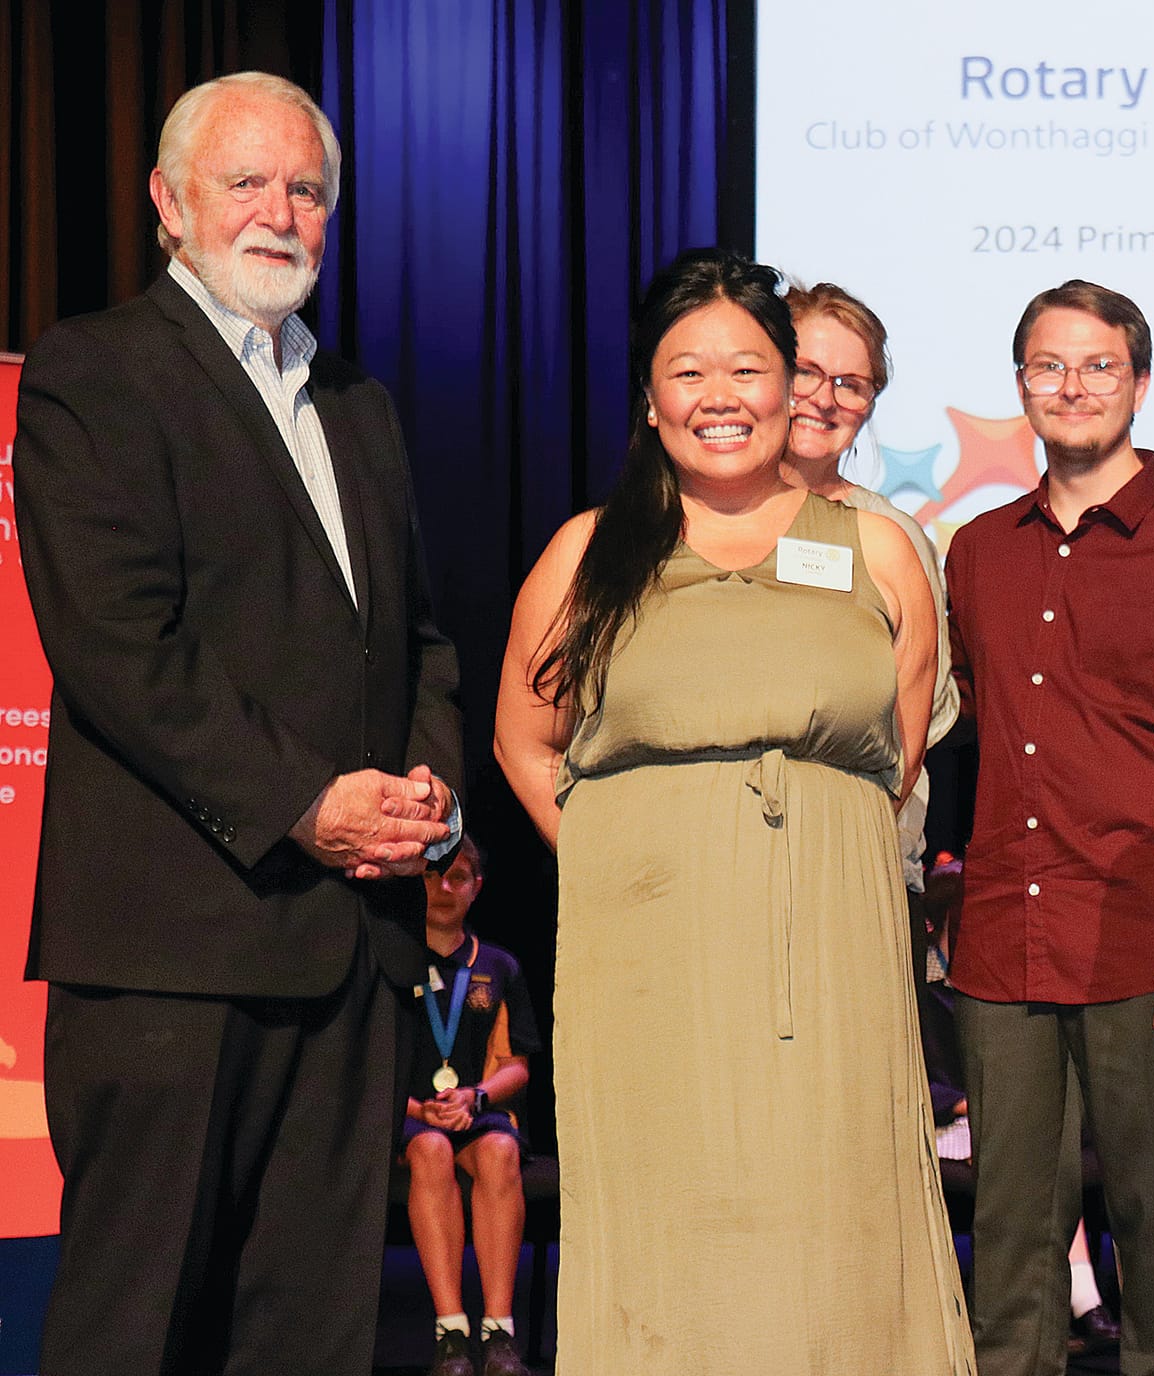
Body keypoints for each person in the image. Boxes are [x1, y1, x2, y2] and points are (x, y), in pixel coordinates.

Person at [12, 72, 462, 1375]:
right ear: (169, 202)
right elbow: (119, 649)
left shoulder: (360, 405)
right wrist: (305, 805)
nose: (279, 212)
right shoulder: (95, 372)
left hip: (347, 951)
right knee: (134, 1332)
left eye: (306, 189)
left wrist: (424, 800)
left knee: (312, 1334)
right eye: (246, 182)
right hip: (170, 955)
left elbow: (415, 641)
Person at [492, 248, 970, 1373]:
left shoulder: (879, 550)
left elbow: (894, 749)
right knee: (674, 1205)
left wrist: (812, 854)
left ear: (789, 385)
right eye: (688, 370)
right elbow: (523, 738)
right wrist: (621, 859)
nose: (721, 396)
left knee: (835, 1205)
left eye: (748, 368)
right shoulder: (587, 553)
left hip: (835, 945)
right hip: (648, 953)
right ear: (648, 398)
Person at [944, 278, 1154, 1376]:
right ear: (1019, 382)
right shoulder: (974, 549)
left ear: (1140, 382)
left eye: (1097, 366)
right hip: (1003, 933)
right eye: (1046, 365)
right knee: (1012, 1246)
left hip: (1149, 938)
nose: (1071, 387)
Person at [779, 280, 958, 987]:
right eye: (806, 373)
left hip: (859, 875)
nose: (825, 398)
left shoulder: (893, 539)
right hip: (716, 867)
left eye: (852, 385)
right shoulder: (694, 517)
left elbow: (922, 716)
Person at [401, 837, 541, 1376]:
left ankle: (499, 1335)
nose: (444, 887)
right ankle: (451, 1337)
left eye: (459, 877)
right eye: (433, 875)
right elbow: (374, 1056)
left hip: (478, 1111)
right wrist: (417, 1109)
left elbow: (517, 1067)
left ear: (476, 888)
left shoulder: (500, 966)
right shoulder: (395, 960)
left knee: (501, 1151)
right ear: (418, 881)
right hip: (412, 1117)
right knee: (432, 1150)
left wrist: (475, 1096)